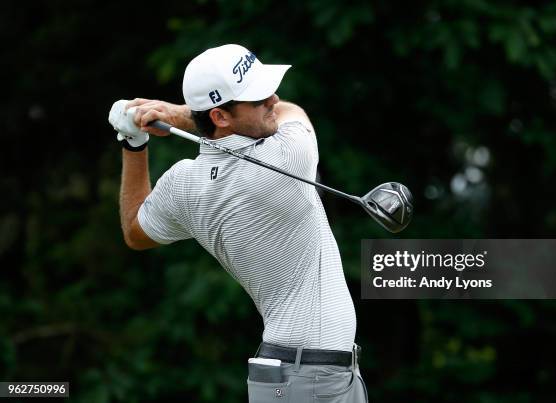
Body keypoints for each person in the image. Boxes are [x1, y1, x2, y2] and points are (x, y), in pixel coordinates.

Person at [108, 44, 368, 402]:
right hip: (310, 380)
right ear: (220, 117)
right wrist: (179, 114)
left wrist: (133, 143)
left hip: (299, 375)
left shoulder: (184, 183)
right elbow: (295, 111)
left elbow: (135, 231)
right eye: (258, 98)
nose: (273, 99)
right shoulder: (287, 157)